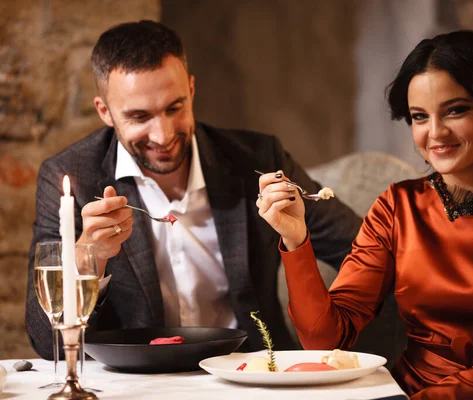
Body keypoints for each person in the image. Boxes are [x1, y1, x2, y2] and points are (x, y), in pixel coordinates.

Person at [257, 30, 473, 399]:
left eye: (455, 110)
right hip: (412, 391)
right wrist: (295, 238)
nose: (435, 133)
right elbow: (325, 337)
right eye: (420, 116)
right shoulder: (397, 206)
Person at [25, 20, 362, 359]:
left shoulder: (256, 158)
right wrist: (89, 260)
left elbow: (364, 249)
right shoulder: (71, 178)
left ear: (191, 88)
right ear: (105, 112)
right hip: (138, 384)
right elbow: (46, 343)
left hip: (254, 373)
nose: (163, 135)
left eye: (175, 108)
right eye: (140, 117)